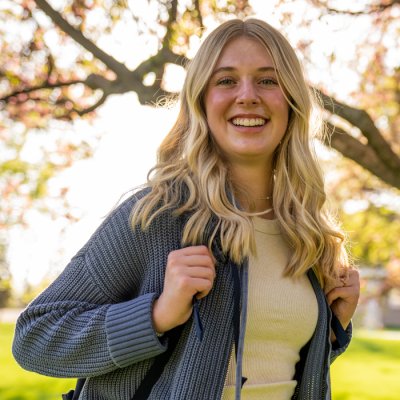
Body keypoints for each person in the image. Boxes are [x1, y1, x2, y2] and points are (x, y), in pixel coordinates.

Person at [12, 18, 360, 400]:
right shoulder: (156, 217)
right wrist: (157, 315)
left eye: (268, 80)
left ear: (292, 101)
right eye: (226, 80)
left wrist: (332, 328)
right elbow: (35, 337)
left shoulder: (308, 235)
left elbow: (274, 366)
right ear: (201, 100)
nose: (247, 96)